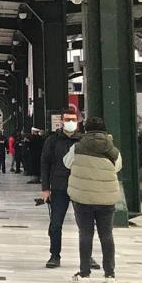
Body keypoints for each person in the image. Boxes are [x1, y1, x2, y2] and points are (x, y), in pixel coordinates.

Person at [64, 117, 121, 283]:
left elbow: (66, 163)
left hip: (83, 198)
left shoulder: (77, 147)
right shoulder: (113, 150)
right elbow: (118, 167)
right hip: (106, 198)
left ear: (85, 130)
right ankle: (110, 274)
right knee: (107, 235)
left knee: (85, 234)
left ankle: (84, 274)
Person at [41, 115, 98, 271]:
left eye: (73, 119)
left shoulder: (83, 140)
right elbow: (45, 164)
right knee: (55, 223)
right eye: (67, 119)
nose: (70, 122)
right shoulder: (52, 141)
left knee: (85, 225)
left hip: (80, 186)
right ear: (61, 121)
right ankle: (55, 255)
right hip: (59, 187)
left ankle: (88, 256)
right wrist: (45, 188)